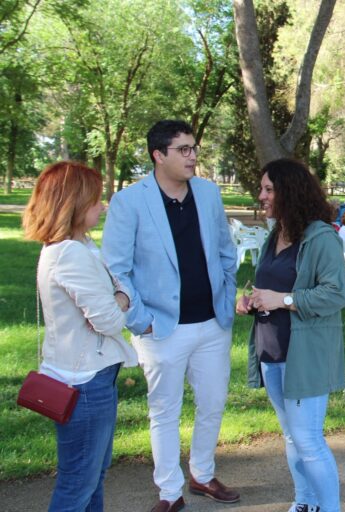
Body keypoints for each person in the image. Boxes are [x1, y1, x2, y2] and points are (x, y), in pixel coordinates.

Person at [102, 120, 239, 512]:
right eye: (183, 149)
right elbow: (116, 269)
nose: (193, 156)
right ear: (158, 155)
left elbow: (226, 253)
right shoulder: (130, 202)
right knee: (164, 410)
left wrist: (225, 298)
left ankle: (202, 473)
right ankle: (169, 491)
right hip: (160, 328)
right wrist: (140, 320)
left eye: (194, 148)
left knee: (212, 403)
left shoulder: (209, 194)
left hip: (212, 323)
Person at [22, 161, 138, 512]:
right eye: (95, 200)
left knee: (92, 476)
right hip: (84, 382)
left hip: (88, 375)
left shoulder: (78, 245)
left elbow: (115, 293)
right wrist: (121, 298)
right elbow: (109, 319)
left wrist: (118, 295)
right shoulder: (70, 253)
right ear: (73, 203)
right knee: (79, 482)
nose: (102, 206)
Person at [237, 158, 345, 512]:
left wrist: (283, 300)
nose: (261, 195)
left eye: (269, 189)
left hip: (304, 357)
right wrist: (254, 299)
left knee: (308, 439)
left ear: (290, 191)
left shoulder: (321, 237)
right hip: (271, 353)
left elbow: (335, 294)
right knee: (291, 437)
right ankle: (305, 502)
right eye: (262, 189)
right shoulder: (277, 233)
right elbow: (276, 285)